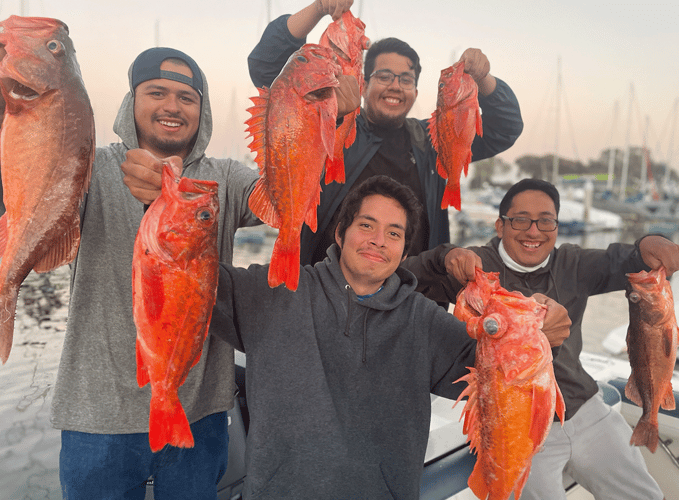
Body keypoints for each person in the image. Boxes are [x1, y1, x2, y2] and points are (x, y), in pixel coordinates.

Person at [208, 175, 569, 499]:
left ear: (405, 251)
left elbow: (505, 374)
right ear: (339, 233)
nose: (378, 241)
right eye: (367, 225)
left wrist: (541, 333)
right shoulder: (271, 291)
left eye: (394, 233)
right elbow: (183, 276)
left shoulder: (425, 321)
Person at [49, 47, 264, 499]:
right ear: (132, 101)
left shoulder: (224, 179)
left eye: (187, 97)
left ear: (201, 112)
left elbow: (283, 203)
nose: (172, 106)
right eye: (157, 92)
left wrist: (324, 117)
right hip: (99, 416)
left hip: (197, 413)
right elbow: (27, 195)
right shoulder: (90, 166)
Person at [402, 178, 679, 500]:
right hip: (519, 421)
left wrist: (649, 243)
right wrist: (443, 257)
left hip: (584, 406)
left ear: (557, 227)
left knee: (644, 494)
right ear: (500, 225)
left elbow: (627, 260)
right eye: (520, 219)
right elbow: (403, 280)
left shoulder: (573, 263)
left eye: (545, 220)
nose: (533, 231)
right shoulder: (475, 268)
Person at [247, 0, 524, 266]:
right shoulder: (329, 122)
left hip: (413, 297)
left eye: (405, 79)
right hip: (328, 293)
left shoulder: (432, 142)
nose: (395, 85)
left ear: (415, 92)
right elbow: (266, 66)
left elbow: (505, 128)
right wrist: (318, 8)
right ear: (362, 85)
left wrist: (484, 79)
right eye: (384, 76)